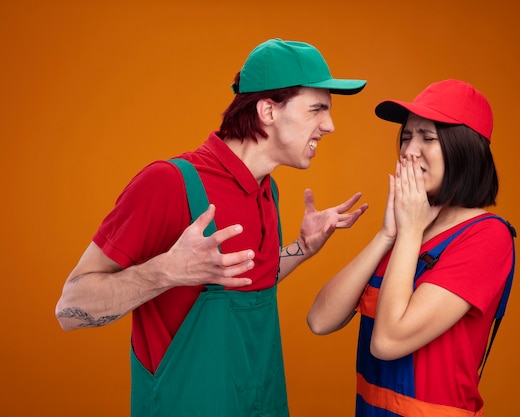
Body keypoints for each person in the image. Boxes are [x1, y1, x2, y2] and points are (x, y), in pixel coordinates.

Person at [55, 38, 368, 417]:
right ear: (268, 110)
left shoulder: (267, 189)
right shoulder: (168, 183)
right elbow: (70, 309)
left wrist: (302, 247)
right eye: (317, 109)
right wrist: (166, 271)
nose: (330, 126)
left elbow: (240, 284)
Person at [307, 79, 516, 417]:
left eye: (427, 138)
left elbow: (388, 342)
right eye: (406, 137)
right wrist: (387, 236)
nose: (409, 150)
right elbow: (320, 320)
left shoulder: (486, 237)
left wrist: (409, 233)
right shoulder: (410, 229)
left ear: (466, 149)